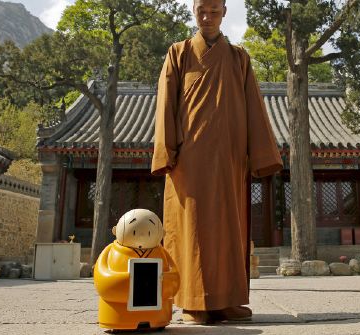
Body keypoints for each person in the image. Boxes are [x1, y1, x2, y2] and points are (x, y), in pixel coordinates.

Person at [151, 0, 282, 325]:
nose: (207, 17)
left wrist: (259, 155)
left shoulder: (239, 58)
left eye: (214, 10)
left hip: (229, 160)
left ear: (224, 11)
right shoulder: (178, 53)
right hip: (190, 161)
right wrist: (167, 152)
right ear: (193, 11)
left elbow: (253, 106)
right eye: (201, 10)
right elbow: (165, 102)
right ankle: (194, 303)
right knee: (192, 229)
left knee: (229, 227)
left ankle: (228, 301)